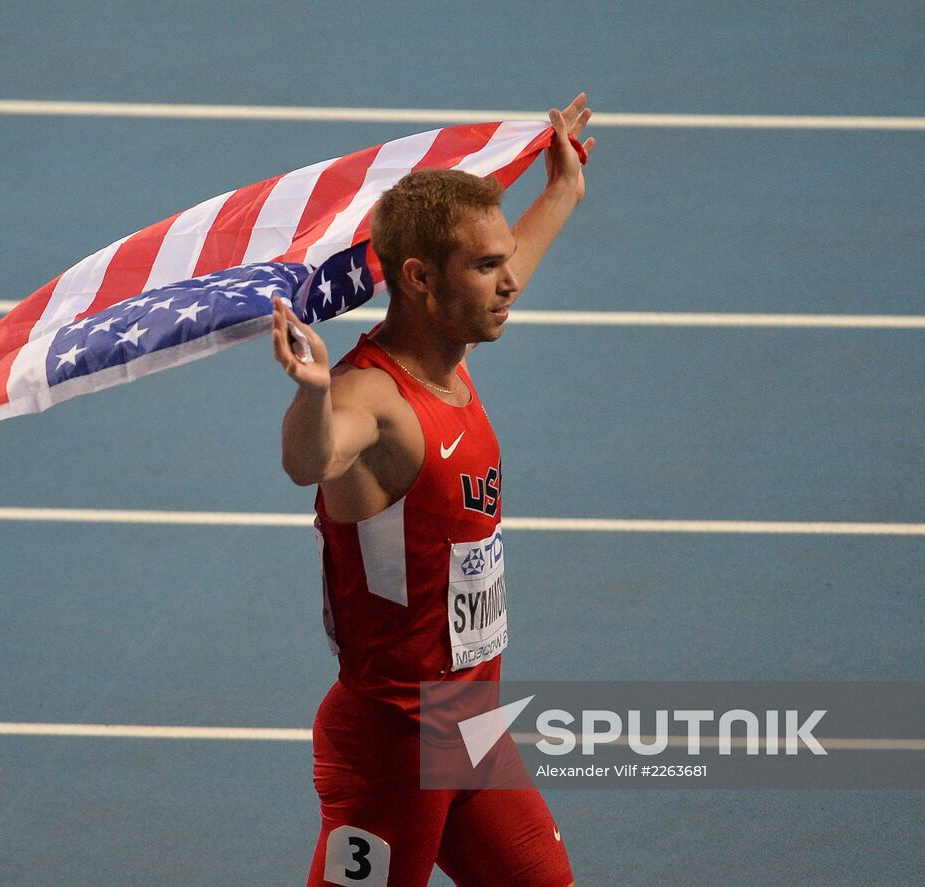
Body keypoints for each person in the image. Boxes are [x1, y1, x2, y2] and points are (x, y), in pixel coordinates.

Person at [271, 93, 595, 887]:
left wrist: (560, 191)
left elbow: (507, 263)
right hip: (393, 745)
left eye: (502, 261)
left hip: (466, 724)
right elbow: (308, 460)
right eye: (486, 267)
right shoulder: (373, 402)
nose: (509, 280)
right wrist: (311, 392)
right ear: (418, 279)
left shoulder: (444, 355)